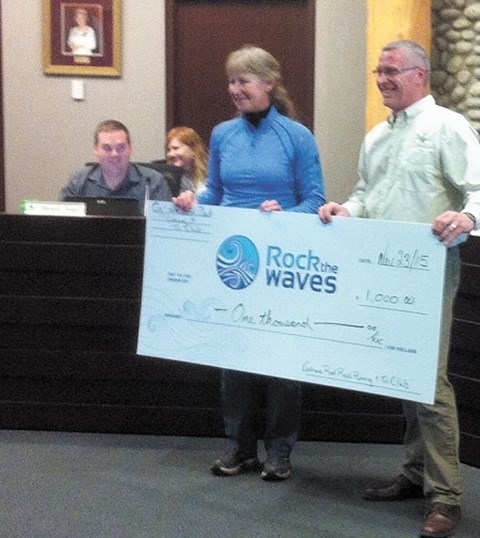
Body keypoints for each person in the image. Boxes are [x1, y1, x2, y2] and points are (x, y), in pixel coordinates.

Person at [318, 40, 480, 538]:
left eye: (392, 71)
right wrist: (346, 210)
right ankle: (414, 473)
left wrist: (466, 215)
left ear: (421, 75)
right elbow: (365, 194)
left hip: (428, 271)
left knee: (428, 382)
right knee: (402, 374)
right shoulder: (376, 137)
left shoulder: (448, 127)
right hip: (381, 270)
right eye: (379, 70)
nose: (382, 78)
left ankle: (447, 497)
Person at [174, 45, 325, 481]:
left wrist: (284, 217)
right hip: (234, 261)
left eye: (243, 81)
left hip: (280, 262)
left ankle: (279, 451)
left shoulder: (297, 136)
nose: (234, 89)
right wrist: (192, 201)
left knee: (281, 361)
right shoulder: (222, 134)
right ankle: (239, 447)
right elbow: (215, 194)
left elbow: (315, 201)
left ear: (268, 84)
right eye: (231, 81)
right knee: (234, 359)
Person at [60, 119, 173, 214]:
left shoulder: (153, 182)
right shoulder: (79, 180)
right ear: (95, 150)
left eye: (121, 148)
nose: (114, 154)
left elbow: (165, 225)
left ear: (130, 149)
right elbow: (63, 220)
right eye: (107, 148)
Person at [166, 126, 209, 194]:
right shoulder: (168, 178)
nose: (170, 154)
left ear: (193, 149)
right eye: (168, 150)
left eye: (176, 148)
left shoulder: (211, 173)